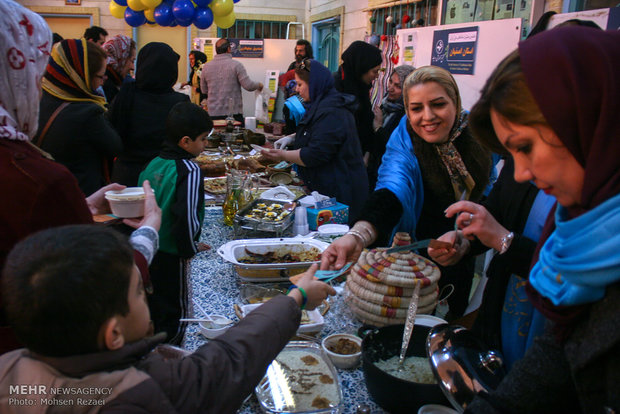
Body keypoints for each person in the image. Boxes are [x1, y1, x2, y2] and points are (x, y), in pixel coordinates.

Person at [0, 224, 336, 412]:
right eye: (138, 291)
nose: (147, 293)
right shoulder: (147, 391)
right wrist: (297, 299)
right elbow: (231, 359)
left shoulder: (9, 369)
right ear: (113, 334)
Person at [463, 27, 620, 412]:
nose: (520, 173)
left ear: (584, 117)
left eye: (526, 147)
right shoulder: (581, 223)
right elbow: (556, 356)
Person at [0, 0, 160, 355]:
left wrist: (83, 206)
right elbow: (103, 279)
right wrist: (150, 228)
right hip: (31, 356)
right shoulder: (35, 177)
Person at [322, 65, 492, 318]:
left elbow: (490, 202)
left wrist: (466, 243)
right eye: (416, 108)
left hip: (458, 260)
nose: (428, 116)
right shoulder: (405, 140)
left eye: (438, 104)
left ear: (455, 102)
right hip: (408, 268)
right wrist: (357, 236)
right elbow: (392, 192)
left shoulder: (479, 139)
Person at [428, 157, 555, 369]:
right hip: (498, 308)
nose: (524, 172)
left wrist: (504, 241)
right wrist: (465, 241)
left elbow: (569, 274)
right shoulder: (521, 158)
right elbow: (498, 209)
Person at [137, 101, 211, 344]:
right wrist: (190, 247)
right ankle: (173, 352)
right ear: (185, 142)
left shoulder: (153, 163)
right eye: (203, 139)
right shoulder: (189, 169)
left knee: (156, 302)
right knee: (175, 309)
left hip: (150, 248)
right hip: (173, 252)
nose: (206, 144)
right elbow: (187, 215)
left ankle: (155, 347)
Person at [261, 59, 369, 221]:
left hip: (341, 191)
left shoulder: (332, 110)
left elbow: (314, 155)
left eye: (300, 84)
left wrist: (282, 155)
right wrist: (291, 138)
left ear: (315, 84)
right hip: (328, 187)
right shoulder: (319, 104)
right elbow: (317, 132)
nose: (297, 90)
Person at [34, 38, 122, 196]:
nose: (102, 82)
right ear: (81, 76)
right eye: (100, 76)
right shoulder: (87, 113)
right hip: (79, 193)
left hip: (45, 190)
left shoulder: (37, 99)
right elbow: (114, 146)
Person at [108, 42, 189, 187]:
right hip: (164, 177)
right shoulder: (179, 102)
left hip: (126, 176)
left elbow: (112, 130)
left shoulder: (127, 94)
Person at [333, 40, 383, 164]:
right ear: (362, 68)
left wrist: (366, 153)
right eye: (374, 71)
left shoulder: (360, 87)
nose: (377, 76)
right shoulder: (337, 87)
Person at [368, 64, 415, 191]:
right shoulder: (385, 104)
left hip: (391, 178)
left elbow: (398, 147)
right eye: (390, 82)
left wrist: (379, 128)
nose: (391, 88)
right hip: (374, 170)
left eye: (398, 86)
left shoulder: (408, 116)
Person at [199, 38, 263, 124]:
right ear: (229, 49)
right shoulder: (236, 65)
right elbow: (248, 86)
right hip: (233, 114)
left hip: (213, 114)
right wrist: (259, 85)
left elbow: (204, 90)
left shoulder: (206, 67)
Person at [102, 34, 136, 104]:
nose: (133, 67)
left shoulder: (111, 80)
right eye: (132, 61)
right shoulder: (107, 87)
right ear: (122, 58)